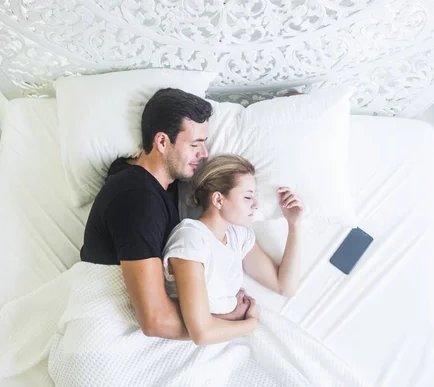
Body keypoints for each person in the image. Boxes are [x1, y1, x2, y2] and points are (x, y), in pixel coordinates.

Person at [80, 88, 250, 340]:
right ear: (161, 142)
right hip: (106, 333)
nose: (204, 154)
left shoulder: (150, 178)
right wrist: (233, 320)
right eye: (195, 144)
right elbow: (154, 321)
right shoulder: (137, 200)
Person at [163, 155, 303, 345]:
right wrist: (250, 323)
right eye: (247, 196)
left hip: (227, 339)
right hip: (188, 345)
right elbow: (201, 333)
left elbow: (285, 286)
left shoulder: (238, 237)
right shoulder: (191, 239)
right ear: (219, 200)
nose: (256, 204)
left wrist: (294, 225)